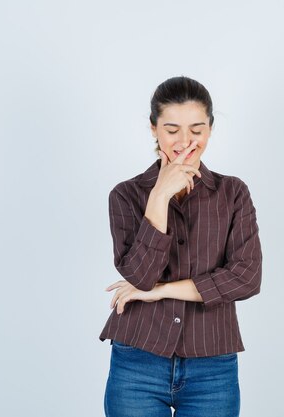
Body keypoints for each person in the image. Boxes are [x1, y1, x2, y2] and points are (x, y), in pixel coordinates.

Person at [99, 75, 263, 417]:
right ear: (153, 129)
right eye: (172, 130)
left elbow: (246, 278)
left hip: (212, 366)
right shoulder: (126, 195)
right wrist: (159, 195)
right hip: (137, 362)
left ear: (211, 129)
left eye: (197, 129)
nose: (185, 141)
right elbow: (140, 277)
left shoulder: (233, 193)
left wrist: (162, 292)